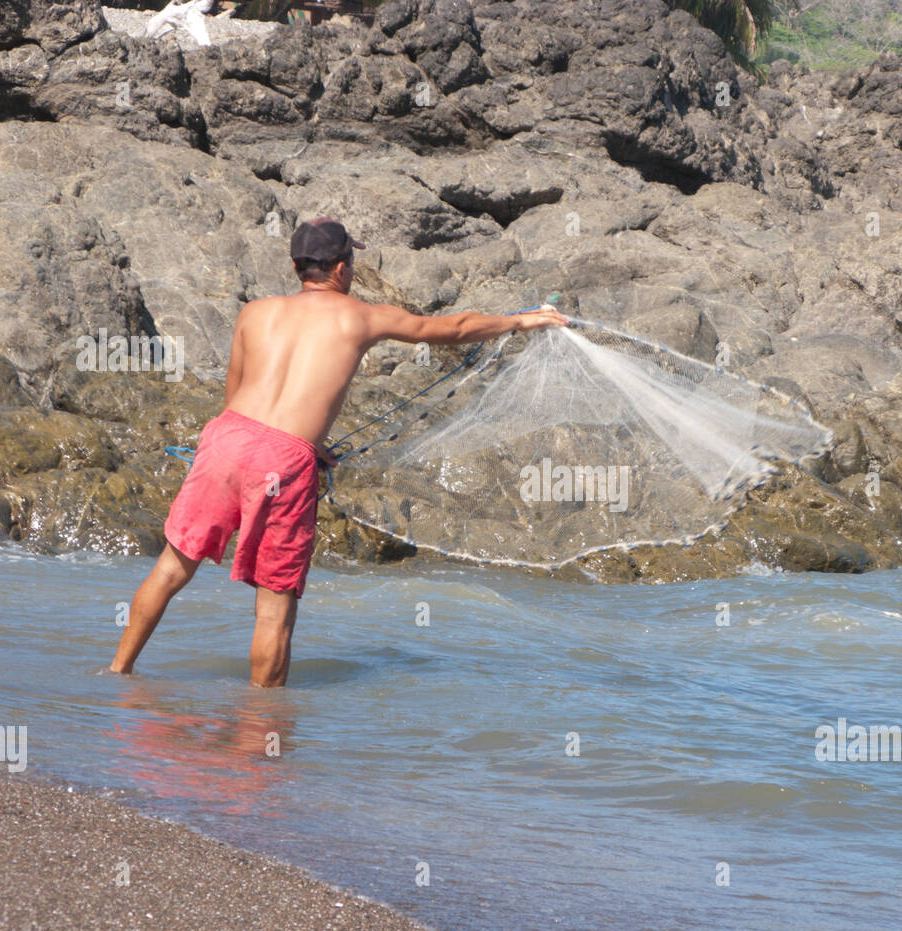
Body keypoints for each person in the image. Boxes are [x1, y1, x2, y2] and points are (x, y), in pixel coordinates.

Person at [109, 217, 568, 686]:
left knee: (170, 568)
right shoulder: (363, 316)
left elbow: (237, 393)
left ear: (295, 266)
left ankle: (117, 672)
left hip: (226, 438)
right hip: (283, 462)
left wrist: (299, 442)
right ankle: (261, 728)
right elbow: (453, 328)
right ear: (344, 268)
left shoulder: (254, 312)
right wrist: (522, 319)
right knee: (273, 609)